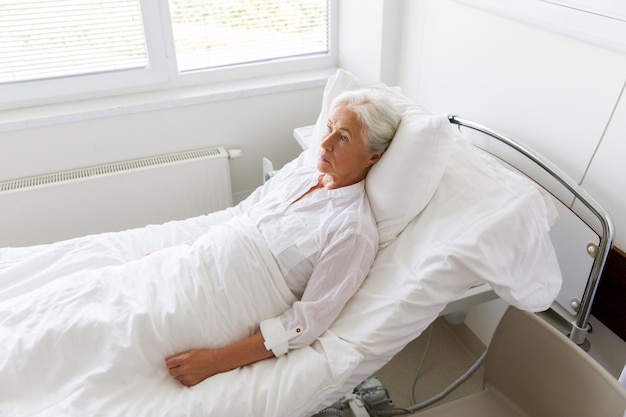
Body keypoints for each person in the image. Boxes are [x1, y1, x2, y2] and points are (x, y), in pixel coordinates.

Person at [165, 89, 402, 386]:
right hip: (191, 265)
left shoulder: (352, 229)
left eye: (343, 137)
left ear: (373, 157)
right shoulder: (302, 177)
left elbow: (306, 322)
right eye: (329, 129)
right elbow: (242, 223)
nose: (325, 144)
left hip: (222, 304)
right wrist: (179, 253)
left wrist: (214, 362)